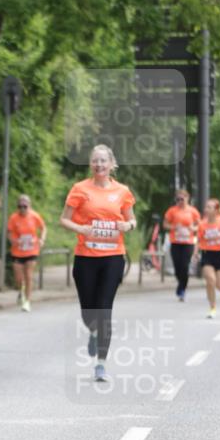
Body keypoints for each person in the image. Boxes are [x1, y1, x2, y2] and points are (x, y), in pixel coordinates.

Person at [59, 144, 136, 382]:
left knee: (104, 310)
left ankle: (101, 364)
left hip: (113, 257)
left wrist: (127, 226)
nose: (99, 165)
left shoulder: (122, 191)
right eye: (95, 161)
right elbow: (64, 219)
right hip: (85, 257)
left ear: (112, 164)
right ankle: (92, 331)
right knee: (88, 311)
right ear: (91, 164)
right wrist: (80, 228)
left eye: (103, 161)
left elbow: (132, 220)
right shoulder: (80, 189)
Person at [194, 199, 220, 318]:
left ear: (216, 210)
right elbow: (199, 241)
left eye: (209, 207)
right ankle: (212, 308)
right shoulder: (202, 224)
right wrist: (195, 253)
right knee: (210, 280)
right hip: (207, 254)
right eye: (206, 207)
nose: (206, 209)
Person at [7, 195, 47, 312]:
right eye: (20, 206)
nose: (22, 209)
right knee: (19, 278)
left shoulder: (34, 216)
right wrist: (13, 240)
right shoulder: (14, 218)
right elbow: (9, 232)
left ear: (29, 206)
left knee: (28, 275)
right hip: (18, 251)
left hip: (32, 250)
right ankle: (21, 291)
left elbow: (43, 228)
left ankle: (27, 301)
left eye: (25, 206)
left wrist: (42, 239)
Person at [163, 189, 200, 301]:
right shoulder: (172, 211)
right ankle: (181, 283)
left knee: (184, 266)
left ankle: (182, 289)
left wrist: (193, 228)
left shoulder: (193, 211)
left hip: (188, 242)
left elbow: (200, 225)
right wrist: (174, 227)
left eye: (182, 199)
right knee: (177, 267)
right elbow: (165, 225)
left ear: (187, 199)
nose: (180, 201)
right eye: (178, 199)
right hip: (175, 242)